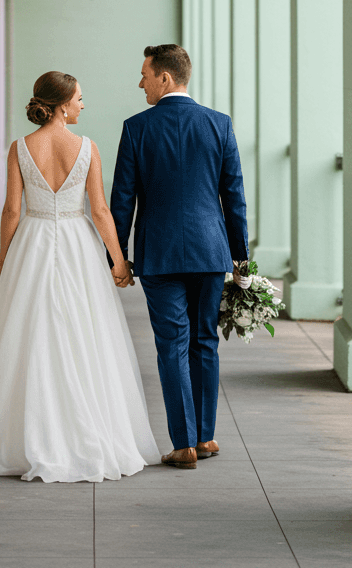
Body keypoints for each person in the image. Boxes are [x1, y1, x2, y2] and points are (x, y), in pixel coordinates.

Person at [0, 71, 160, 482]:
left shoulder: (20, 148)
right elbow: (100, 211)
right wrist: (118, 261)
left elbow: (12, 211)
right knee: (85, 332)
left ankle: (21, 436)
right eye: (80, 98)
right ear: (63, 104)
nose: (83, 104)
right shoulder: (87, 148)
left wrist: (3, 260)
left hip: (33, 240)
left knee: (28, 333)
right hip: (79, 244)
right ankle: (88, 430)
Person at [110, 43, 250, 470]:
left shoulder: (136, 128)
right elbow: (235, 198)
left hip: (160, 253)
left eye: (145, 75)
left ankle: (184, 443)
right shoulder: (219, 125)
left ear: (165, 78)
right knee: (205, 341)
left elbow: (122, 201)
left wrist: (118, 256)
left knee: (172, 344)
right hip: (211, 251)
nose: (141, 83)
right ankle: (205, 437)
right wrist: (241, 260)